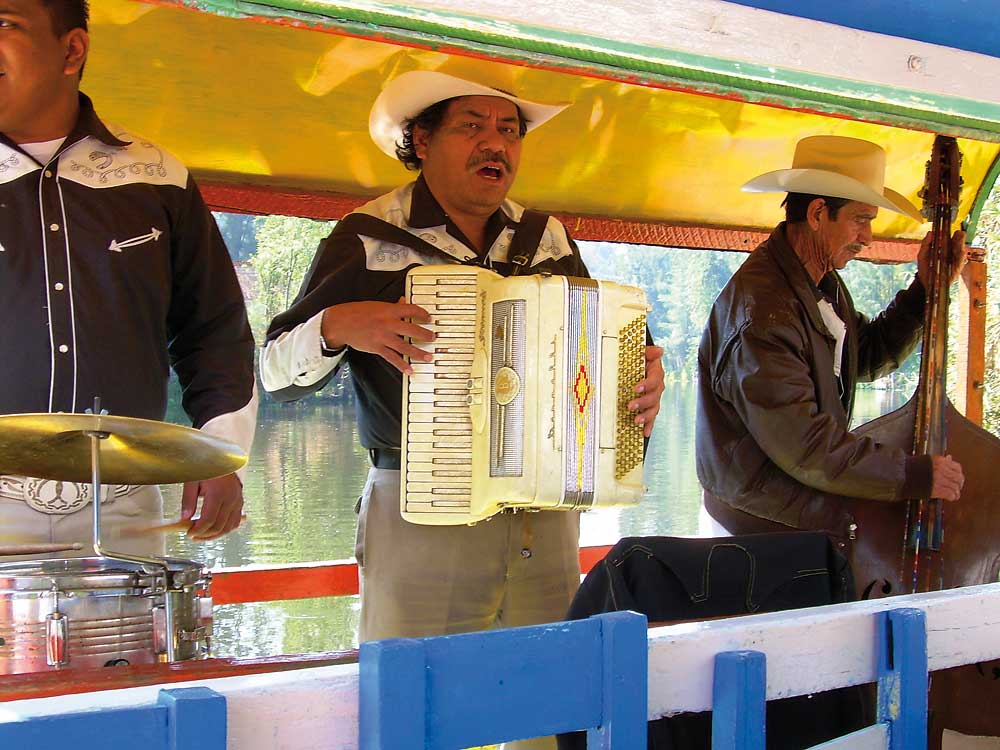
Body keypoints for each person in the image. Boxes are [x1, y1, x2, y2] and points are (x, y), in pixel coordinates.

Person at [262, 70, 665, 644]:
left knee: (548, 706)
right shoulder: (369, 237)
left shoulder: (547, 239)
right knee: (420, 708)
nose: (495, 143)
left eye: (509, 130)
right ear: (421, 141)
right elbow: (276, 373)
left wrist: (638, 380)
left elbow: (597, 350)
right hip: (423, 510)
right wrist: (338, 323)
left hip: (544, 514)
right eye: (472, 126)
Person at [0, 0, 257, 555]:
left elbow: (213, 328)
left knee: (127, 647)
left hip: (124, 500)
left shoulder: (158, 178)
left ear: (72, 50)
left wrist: (219, 454)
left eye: (4, 23)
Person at [696, 135, 966, 541]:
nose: (868, 236)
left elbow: (868, 354)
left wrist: (926, 289)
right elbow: (805, 445)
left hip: (787, 505)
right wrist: (912, 474)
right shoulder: (764, 311)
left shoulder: (818, 284)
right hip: (755, 525)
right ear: (819, 212)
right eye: (861, 219)